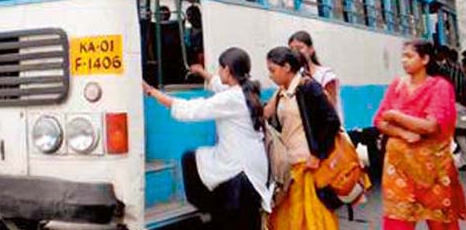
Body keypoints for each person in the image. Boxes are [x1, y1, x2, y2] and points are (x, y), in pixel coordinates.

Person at [142, 47, 271, 230]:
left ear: (227, 70)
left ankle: (210, 208)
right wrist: (202, 72)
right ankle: (212, 210)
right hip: (253, 165)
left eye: (220, 68)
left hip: (241, 171)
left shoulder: (231, 98)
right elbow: (219, 85)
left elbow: (190, 110)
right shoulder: (246, 91)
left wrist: (150, 91)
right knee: (196, 158)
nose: (218, 72)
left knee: (191, 159)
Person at [374, 39, 466, 230]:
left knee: (440, 222)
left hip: (433, 170)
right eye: (402, 56)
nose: (404, 61)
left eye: (409, 56)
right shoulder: (397, 86)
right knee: (397, 222)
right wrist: (403, 133)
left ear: (425, 59)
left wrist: (395, 115)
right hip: (399, 169)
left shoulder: (440, 87)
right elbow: (379, 121)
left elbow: (431, 126)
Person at [263, 46, 341, 230]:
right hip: (289, 167)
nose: (270, 76)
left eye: (272, 70)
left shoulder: (308, 87)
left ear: (287, 67)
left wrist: (317, 154)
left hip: (308, 165)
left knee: (311, 220)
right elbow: (266, 115)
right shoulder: (282, 92)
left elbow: (332, 121)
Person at [288, 31, 344, 123]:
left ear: (311, 50)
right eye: (291, 49)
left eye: (300, 48)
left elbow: (331, 107)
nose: (295, 52)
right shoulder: (292, 78)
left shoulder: (325, 75)